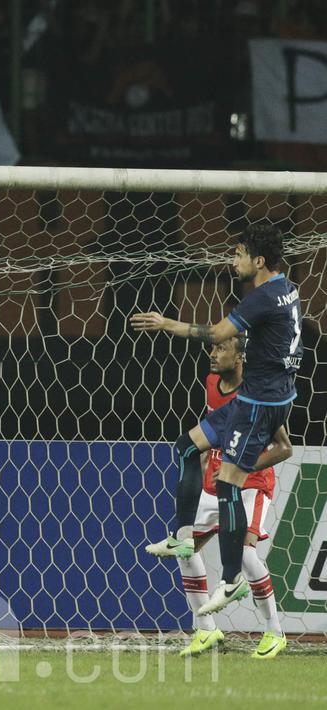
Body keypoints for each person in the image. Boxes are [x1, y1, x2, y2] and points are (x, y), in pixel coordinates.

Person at [132, 222, 303, 615]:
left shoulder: (262, 297)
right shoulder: (287, 287)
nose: (232, 261)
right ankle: (182, 535)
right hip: (267, 395)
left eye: (239, 254)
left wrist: (167, 324)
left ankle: (230, 581)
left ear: (259, 261)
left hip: (259, 403)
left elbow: (219, 332)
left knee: (227, 485)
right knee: (187, 447)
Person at [157, 334, 292, 659]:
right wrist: (202, 466)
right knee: (184, 548)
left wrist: (242, 469)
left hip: (251, 482)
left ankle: (275, 632)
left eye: (221, 348)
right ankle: (206, 631)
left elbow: (284, 448)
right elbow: (211, 429)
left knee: (245, 555)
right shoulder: (213, 382)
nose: (213, 353)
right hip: (215, 480)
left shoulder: (262, 392)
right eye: (213, 347)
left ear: (242, 357)